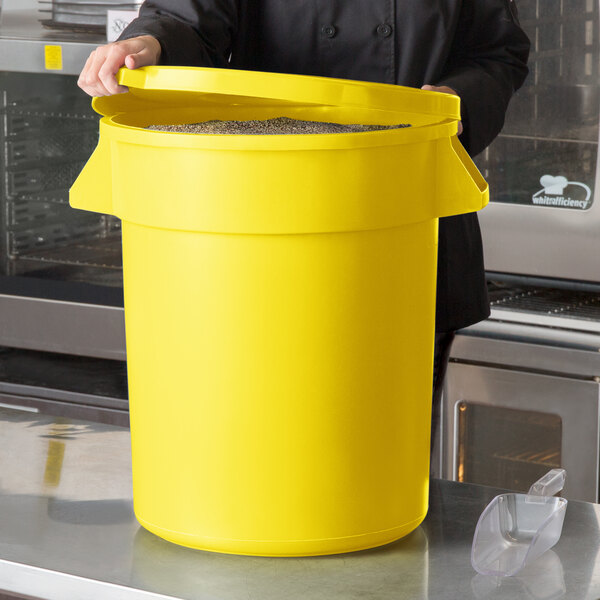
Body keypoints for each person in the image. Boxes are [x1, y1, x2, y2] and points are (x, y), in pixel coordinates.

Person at [78, 0, 530, 457]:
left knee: (382, 464)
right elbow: (185, 19)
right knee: (253, 456)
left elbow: (496, 54)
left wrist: (453, 102)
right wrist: (144, 42)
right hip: (262, 231)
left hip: (405, 217)